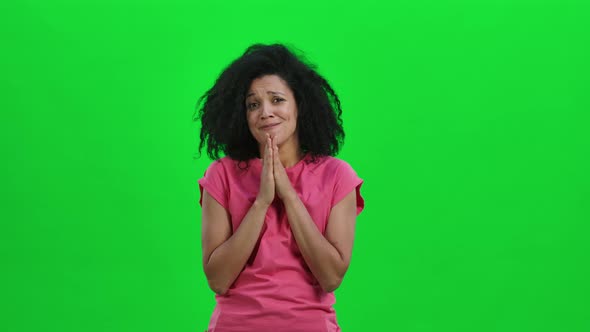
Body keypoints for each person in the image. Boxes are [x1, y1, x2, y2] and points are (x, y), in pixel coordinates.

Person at [195, 43, 365, 332]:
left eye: (277, 100)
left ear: (300, 105)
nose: (265, 112)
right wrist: (261, 201)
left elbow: (331, 276)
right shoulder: (221, 174)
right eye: (253, 104)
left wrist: (287, 194)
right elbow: (218, 279)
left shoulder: (337, 176)